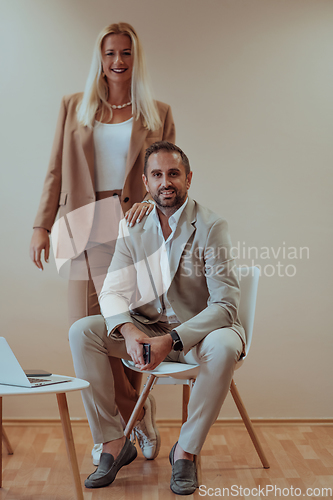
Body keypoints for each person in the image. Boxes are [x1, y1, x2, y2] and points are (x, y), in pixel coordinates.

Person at [29, 23, 175, 462]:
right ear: (100, 56)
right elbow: (56, 168)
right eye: (110, 52)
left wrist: (156, 208)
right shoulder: (74, 106)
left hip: (132, 228)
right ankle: (120, 428)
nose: (117, 61)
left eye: (126, 53)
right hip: (80, 225)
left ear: (135, 58)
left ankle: (133, 420)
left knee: (123, 332)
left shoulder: (157, 111)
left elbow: (167, 172)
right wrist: (41, 225)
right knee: (85, 331)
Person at [69, 141, 246, 494]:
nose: (166, 181)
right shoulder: (133, 226)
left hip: (198, 334)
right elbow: (112, 291)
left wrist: (174, 340)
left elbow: (226, 305)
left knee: (226, 345)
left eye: (174, 174)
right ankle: (113, 443)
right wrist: (129, 330)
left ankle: (186, 452)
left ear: (188, 179)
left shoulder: (212, 226)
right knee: (82, 332)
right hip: (147, 329)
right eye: (157, 175)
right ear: (146, 183)